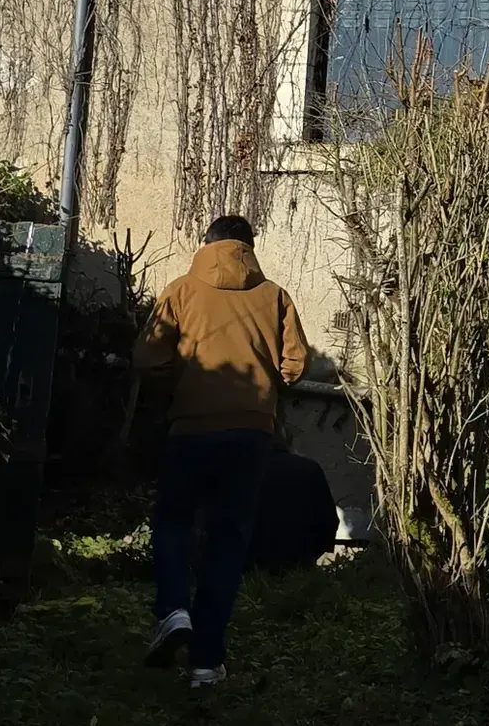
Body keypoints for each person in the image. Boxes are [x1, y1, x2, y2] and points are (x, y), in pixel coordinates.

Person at [135, 213, 308, 688]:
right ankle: (206, 665)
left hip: (190, 428)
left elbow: (148, 358)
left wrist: (182, 382)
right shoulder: (274, 295)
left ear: (205, 243)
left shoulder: (181, 291)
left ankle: (173, 610)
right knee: (228, 540)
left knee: (172, 521)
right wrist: (266, 388)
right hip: (252, 434)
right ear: (250, 248)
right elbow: (295, 365)